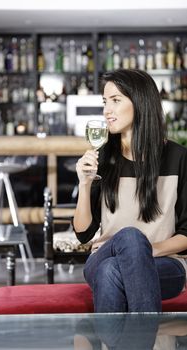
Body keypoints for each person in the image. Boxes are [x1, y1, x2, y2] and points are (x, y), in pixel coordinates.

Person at [73, 68, 187, 313]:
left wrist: (143, 252)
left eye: (115, 100)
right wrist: (84, 184)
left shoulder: (178, 158)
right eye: (105, 102)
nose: (106, 110)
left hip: (165, 263)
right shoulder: (103, 157)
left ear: (140, 102)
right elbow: (83, 234)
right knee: (127, 241)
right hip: (103, 255)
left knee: (113, 268)